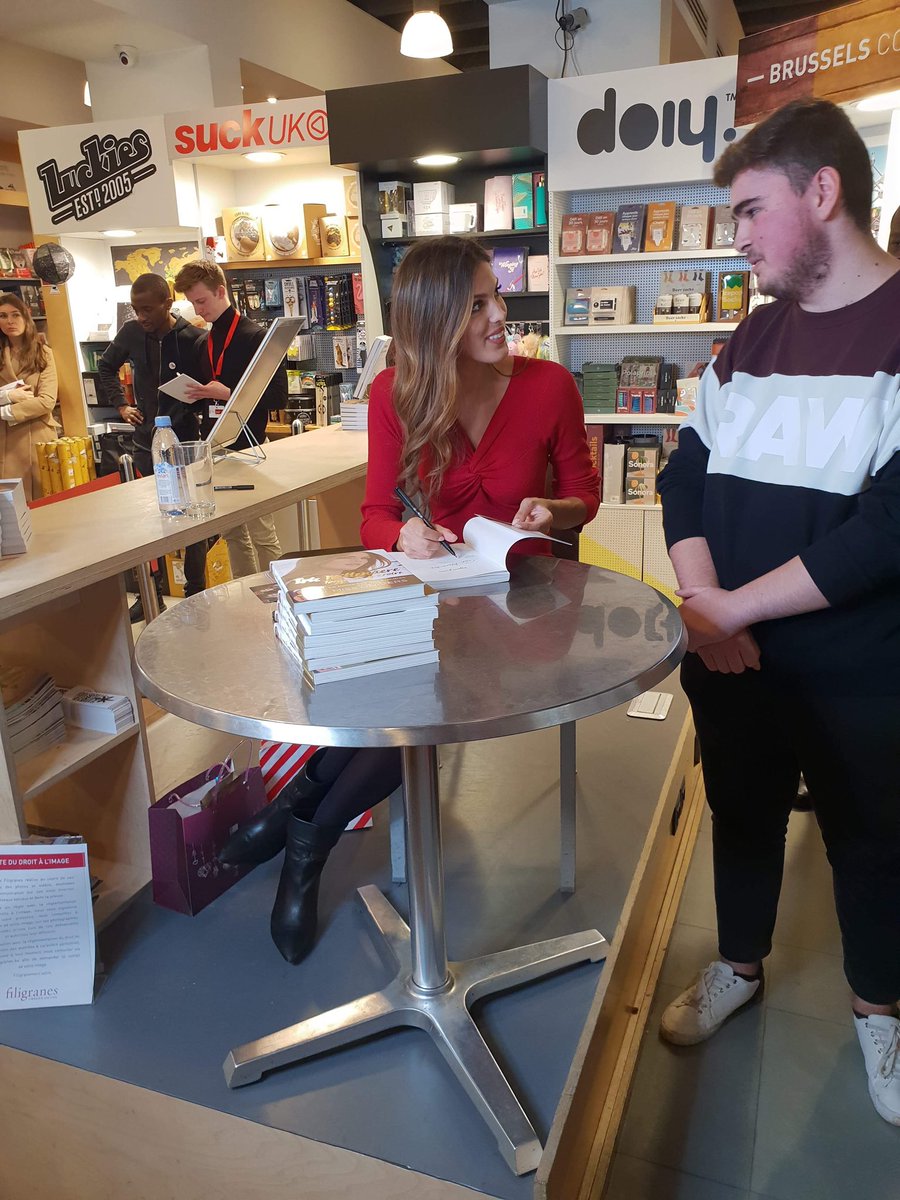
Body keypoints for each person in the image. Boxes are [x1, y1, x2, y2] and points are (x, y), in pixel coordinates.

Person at [221, 235, 599, 965]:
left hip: (528, 607)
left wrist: (553, 510)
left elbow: (585, 494)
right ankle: (303, 831)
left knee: (418, 706)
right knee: (398, 691)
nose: (500, 316)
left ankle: (300, 832)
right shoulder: (396, 396)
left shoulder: (549, 384)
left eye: (496, 296)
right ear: (433, 322)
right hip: (441, 601)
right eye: (477, 305)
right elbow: (373, 517)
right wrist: (404, 534)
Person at [656, 99, 900, 1127]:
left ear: (824, 191)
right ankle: (741, 965)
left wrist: (726, 610)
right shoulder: (752, 337)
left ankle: (879, 1008)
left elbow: (887, 528)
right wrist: (705, 607)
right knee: (742, 814)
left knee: (873, 840)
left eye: (753, 210)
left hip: (862, 668)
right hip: (733, 661)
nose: (740, 237)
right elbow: (684, 471)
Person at [97, 273, 207, 619]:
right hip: (146, 442)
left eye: (147, 309)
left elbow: (208, 386)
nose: (141, 316)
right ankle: (151, 593)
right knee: (149, 520)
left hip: (185, 440)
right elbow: (105, 366)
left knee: (193, 520)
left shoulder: (193, 338)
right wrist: (121, 405)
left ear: (167, 303)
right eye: (136, 309)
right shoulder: (131, 333)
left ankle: (195, 592)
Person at [172, 261, 285, 577]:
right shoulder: (203, 342)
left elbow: (278, 397)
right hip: (216, 449)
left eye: (202, 301)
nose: (198, 310)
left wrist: (228, 393)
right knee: (233, 535)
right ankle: (245, 595)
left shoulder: (255, 337)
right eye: (193, 303)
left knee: (263, 534)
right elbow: (207, 395)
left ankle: (277, 594)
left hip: (251, 448)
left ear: (221, 291)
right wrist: (195, 395)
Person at [0, 292, 58, 501]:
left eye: (15, 314)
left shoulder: (43, 353)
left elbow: (47, 401)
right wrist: (9, 395)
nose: (9, 321)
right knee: (12, 506)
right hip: (5, 440)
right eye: (3, 316)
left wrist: (7, 411)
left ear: (26, 315)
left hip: (38, 437)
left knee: (45, 501)